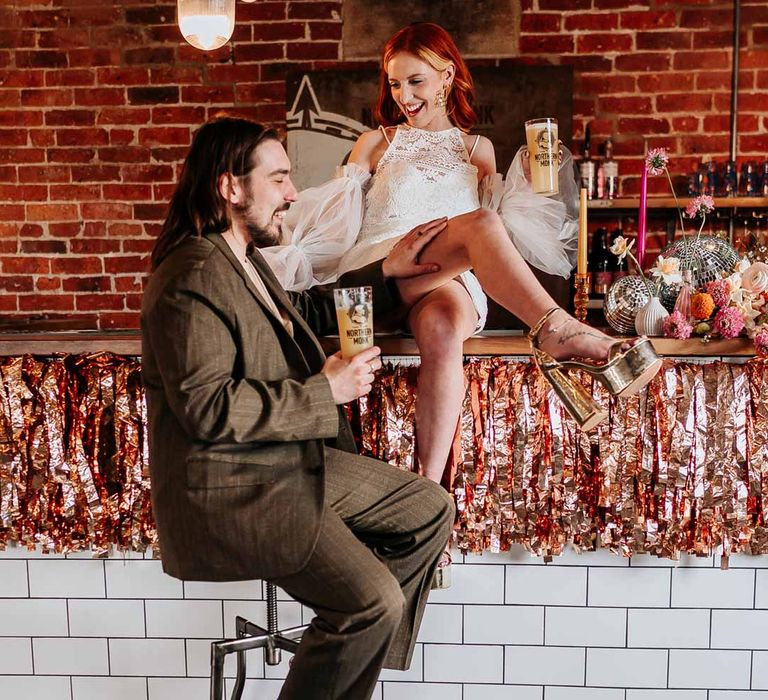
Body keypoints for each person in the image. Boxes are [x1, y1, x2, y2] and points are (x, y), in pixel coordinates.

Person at [260, 22, 661, 584]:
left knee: (448, 324)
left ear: (447, 76)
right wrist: (306, 262)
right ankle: (556, 328)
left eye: (416, 81)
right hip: (385, 268)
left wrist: (540, 197)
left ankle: (427, 504)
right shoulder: (377, 141)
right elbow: (339, 221)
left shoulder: (479, 151)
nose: (404, 96)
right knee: (481, 224)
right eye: (395, 84)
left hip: (449, 280)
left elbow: (499, 242)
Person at [141, 116, 456, 699]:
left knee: (427, 507)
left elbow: (301, 317)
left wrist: (386, 276)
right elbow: (207, 409)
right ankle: (357, 633)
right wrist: (324, 393)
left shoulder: (242, 259)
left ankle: (352, 655)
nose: (292, 194)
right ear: (230, 188)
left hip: (283, 460)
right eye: (280, 179)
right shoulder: (193, 273)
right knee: (372, 603)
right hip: (240, 486)